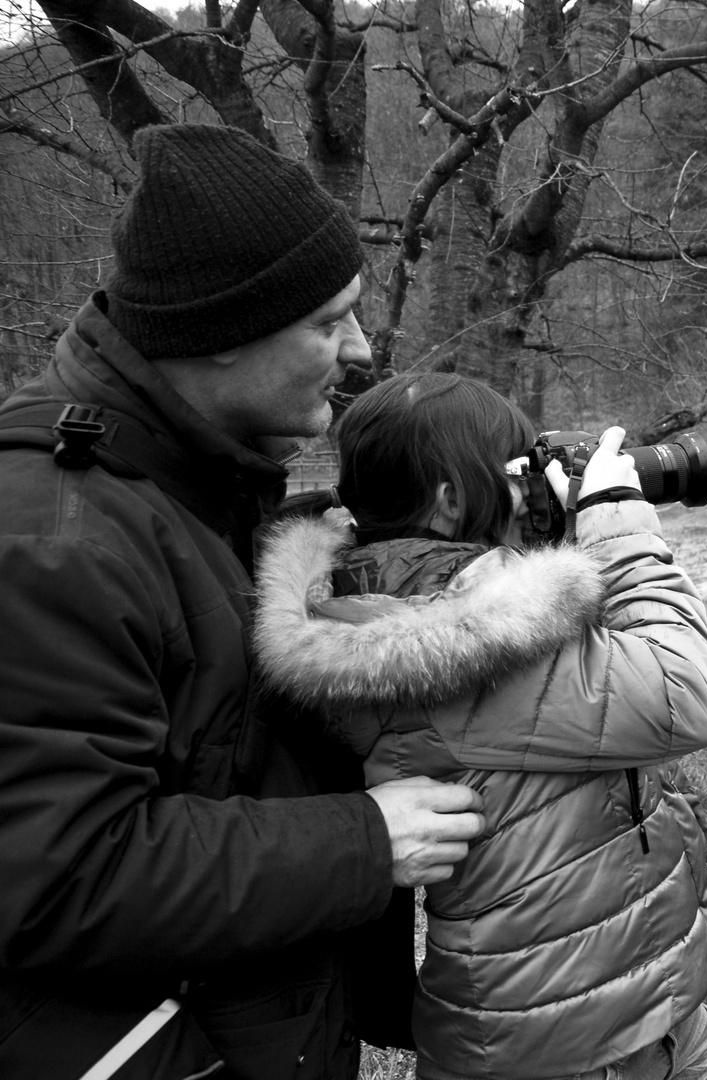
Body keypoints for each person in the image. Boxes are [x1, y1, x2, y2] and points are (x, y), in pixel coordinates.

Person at [0, 124, 485, 1079]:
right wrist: (366, 838)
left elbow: (219, 751)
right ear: (219, 337)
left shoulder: (192, 492)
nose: (358, 348)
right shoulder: (50, 540)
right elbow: (54, 877)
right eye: (327, 321)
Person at [251, 372, 707, 1080]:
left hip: (597, 999)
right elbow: (685, 694)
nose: (531, 487)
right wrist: (616, 521)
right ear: (451, 499)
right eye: (515, 473)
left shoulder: (390, 603)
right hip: (566, 1036)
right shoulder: (458, 637)